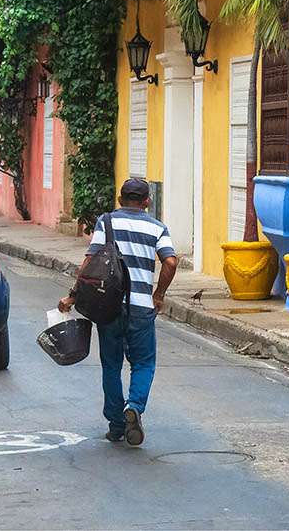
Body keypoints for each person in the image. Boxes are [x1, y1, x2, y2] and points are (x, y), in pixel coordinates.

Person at [58, 178, 178, 447]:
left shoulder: (106, 222)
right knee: (144, 363)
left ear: (121, 198)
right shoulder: (157, 228)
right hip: (141, 308)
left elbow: (90, 262)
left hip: (109, 306)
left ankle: (116, 425)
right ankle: (134, 406)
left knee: (111, 366)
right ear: (147, 201)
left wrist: (73, 295)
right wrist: (158, 295)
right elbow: (170, 261)